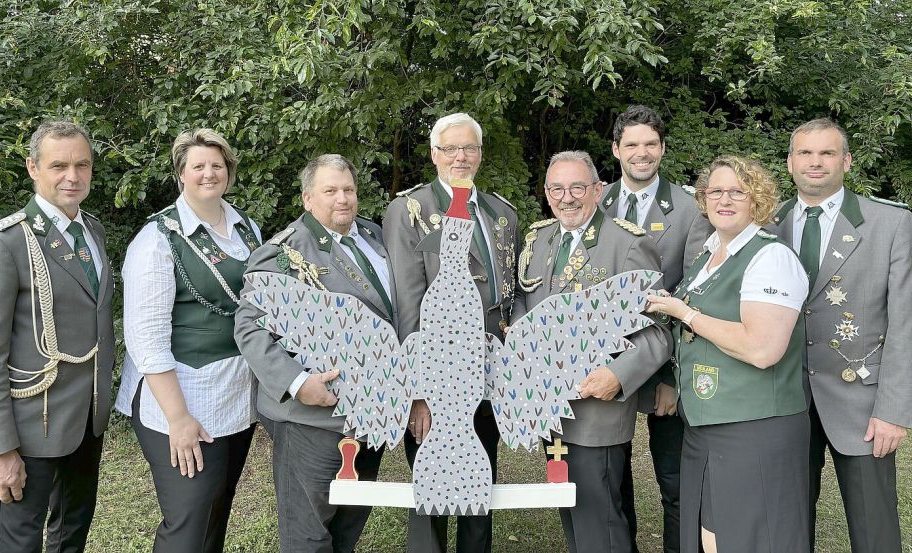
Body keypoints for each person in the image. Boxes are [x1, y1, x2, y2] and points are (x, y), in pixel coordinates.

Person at [769, 118, 912, 553]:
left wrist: (894, 410)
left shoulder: (889, 223)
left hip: (861, 404)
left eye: (827, 153)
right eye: (805, 153)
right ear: (790, 163)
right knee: (785, 524)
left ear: (847, 162)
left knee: (874, 529)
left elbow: (908, 323)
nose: (815, 162)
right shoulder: (769, 222)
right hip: (784, 399)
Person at [0, 120, 115, 553]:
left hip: (86, 421)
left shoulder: (92, 232)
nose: (73, 176)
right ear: (33, 168)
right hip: (30, 427)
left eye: (82, 164)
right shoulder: (1, 244)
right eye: (58, 165)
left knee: (71, 535)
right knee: (18, 543)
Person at [646, 155, 810, 553]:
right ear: (703, 199)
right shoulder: (710, 253)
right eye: (716, 191)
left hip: (754, 426)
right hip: (706, 424)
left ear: (758, 198)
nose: (725, 199)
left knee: (752, 538)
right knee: (712, 536)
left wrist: (685, 313)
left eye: (738, 191)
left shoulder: (770, 257)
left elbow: (762, 348)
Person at [235, 154, 392, 552]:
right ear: (307, 199)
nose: (342, 199)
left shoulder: (374, 238)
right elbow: (249, 326)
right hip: (313, 419)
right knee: (308, 535)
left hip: (371, 414)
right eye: (330, 191)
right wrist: (298, 382)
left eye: (348, 190)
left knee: (348, 527)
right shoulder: (285, 251)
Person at [516, 150, 671, 553]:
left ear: (598, 190)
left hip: (597, 410)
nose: (567, 198)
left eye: (577, 187)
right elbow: (525, 318)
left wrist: (617, 376)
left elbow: (657, 331)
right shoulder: (539, 240)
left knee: (598, 521)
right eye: (556, 188)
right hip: (549, 411)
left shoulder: (628, 244)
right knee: (572, 512)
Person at [114, 129, 261, 553]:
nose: (209, 173)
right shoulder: (156, 240)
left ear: (229, 171)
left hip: (234, 394)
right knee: (189, 521)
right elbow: (146, 341)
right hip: (181, 400)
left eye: (217, 165)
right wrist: (178, 419)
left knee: (217, 510)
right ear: (181, 173)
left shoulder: (244, 226)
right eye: (198, 166)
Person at [382, 112, 520, 553]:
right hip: (436, 374)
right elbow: (407, 303)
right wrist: (417, 391)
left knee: (482, 479)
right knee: (433, 485)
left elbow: (510, 296)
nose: (460, 156)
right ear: (434, 154)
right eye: (450, 148)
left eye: (469, 148)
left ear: (480, 154)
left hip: (488, 371)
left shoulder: (502, 212)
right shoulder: (409, 211)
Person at [601, 105, 712, 553]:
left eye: (650, 144)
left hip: (670, 364)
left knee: (676, 482)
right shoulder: (596, 200)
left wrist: (668, 374)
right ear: (616, 150)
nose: (641, 153)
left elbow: (695, 290)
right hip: (608, 365)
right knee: (612, 478)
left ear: (662, 149)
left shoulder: (690, 207)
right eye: (632, 144)